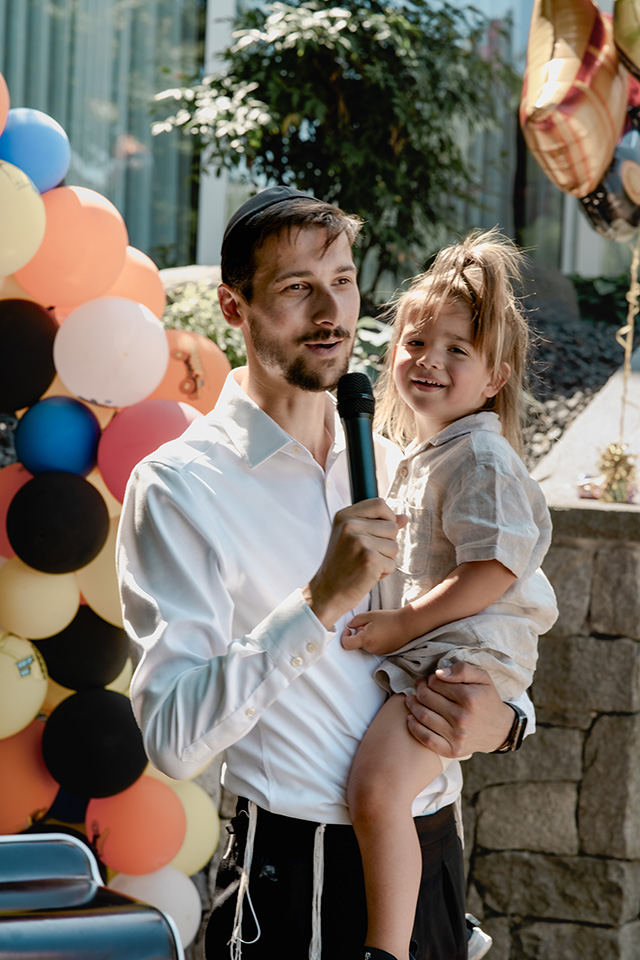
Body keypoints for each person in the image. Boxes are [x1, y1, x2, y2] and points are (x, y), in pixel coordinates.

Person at [116, 187, 537, 960]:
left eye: (341, 281)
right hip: (293, 875)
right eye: (297, 288)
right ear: (234, 309)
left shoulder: (401, 452)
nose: (330, 312)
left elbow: (485, 606)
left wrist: (509, 723)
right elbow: (174, 739)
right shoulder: (180, 486)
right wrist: (319, 600)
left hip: (432, 855)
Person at [340, 229, 558, 960]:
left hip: (464, 651)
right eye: (415, 341)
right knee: (394, 789)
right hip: (444, 649)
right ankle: (445, 928)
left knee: (376, 790)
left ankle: (391, 950)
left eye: (455, 351)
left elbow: (494, 569)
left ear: (495, 377)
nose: (428, 360)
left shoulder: (482, 455)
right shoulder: (427, 451)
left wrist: (400, 625)